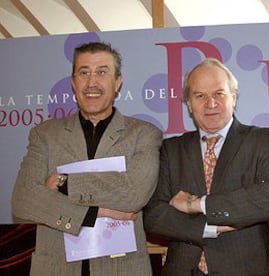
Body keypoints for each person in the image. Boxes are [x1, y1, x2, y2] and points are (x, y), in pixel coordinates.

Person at [12, 42, 162, 275]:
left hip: (122, 269)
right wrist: (96, 213)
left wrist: (65, 184)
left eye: (102, 72)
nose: (92, 82)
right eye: (84, 73)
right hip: (56, 268)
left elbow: (133, 194)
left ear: (118, 83)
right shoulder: (44, 134)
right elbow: (23, 200)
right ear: (73, 83)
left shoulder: (144, 134)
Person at [143, 58, 269, 275]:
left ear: (234, 98)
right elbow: (154, 216)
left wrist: (198, 204)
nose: (210, 103)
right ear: (189, 104)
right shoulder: (170, 149)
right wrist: (210, 228)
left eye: (219, 93)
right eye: (200, 96)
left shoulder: (264, 141)